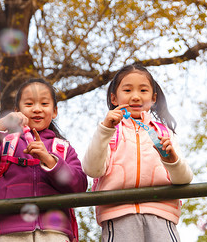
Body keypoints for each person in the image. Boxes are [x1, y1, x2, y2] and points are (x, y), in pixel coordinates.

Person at [0, 78, 87, 242]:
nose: (37, 109)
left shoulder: (63, 148)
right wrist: (0, 126)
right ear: (17, 110)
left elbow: (79, 186)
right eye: (29, 104)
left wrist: (50, 160)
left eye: (44, 104)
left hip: (54, 233)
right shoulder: (7, 143)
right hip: (8, 232)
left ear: (55, 111)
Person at [82, 64, 193, 242]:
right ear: (114, 98)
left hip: (161, 215)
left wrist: (172, 160)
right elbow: (92, 170)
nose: (135, 96)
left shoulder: (163, 133)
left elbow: (184, 179)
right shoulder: (109, 132)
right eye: (127, 90)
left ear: (153, 98)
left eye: (143, 90)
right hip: (118, 215)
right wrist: (105, 130)